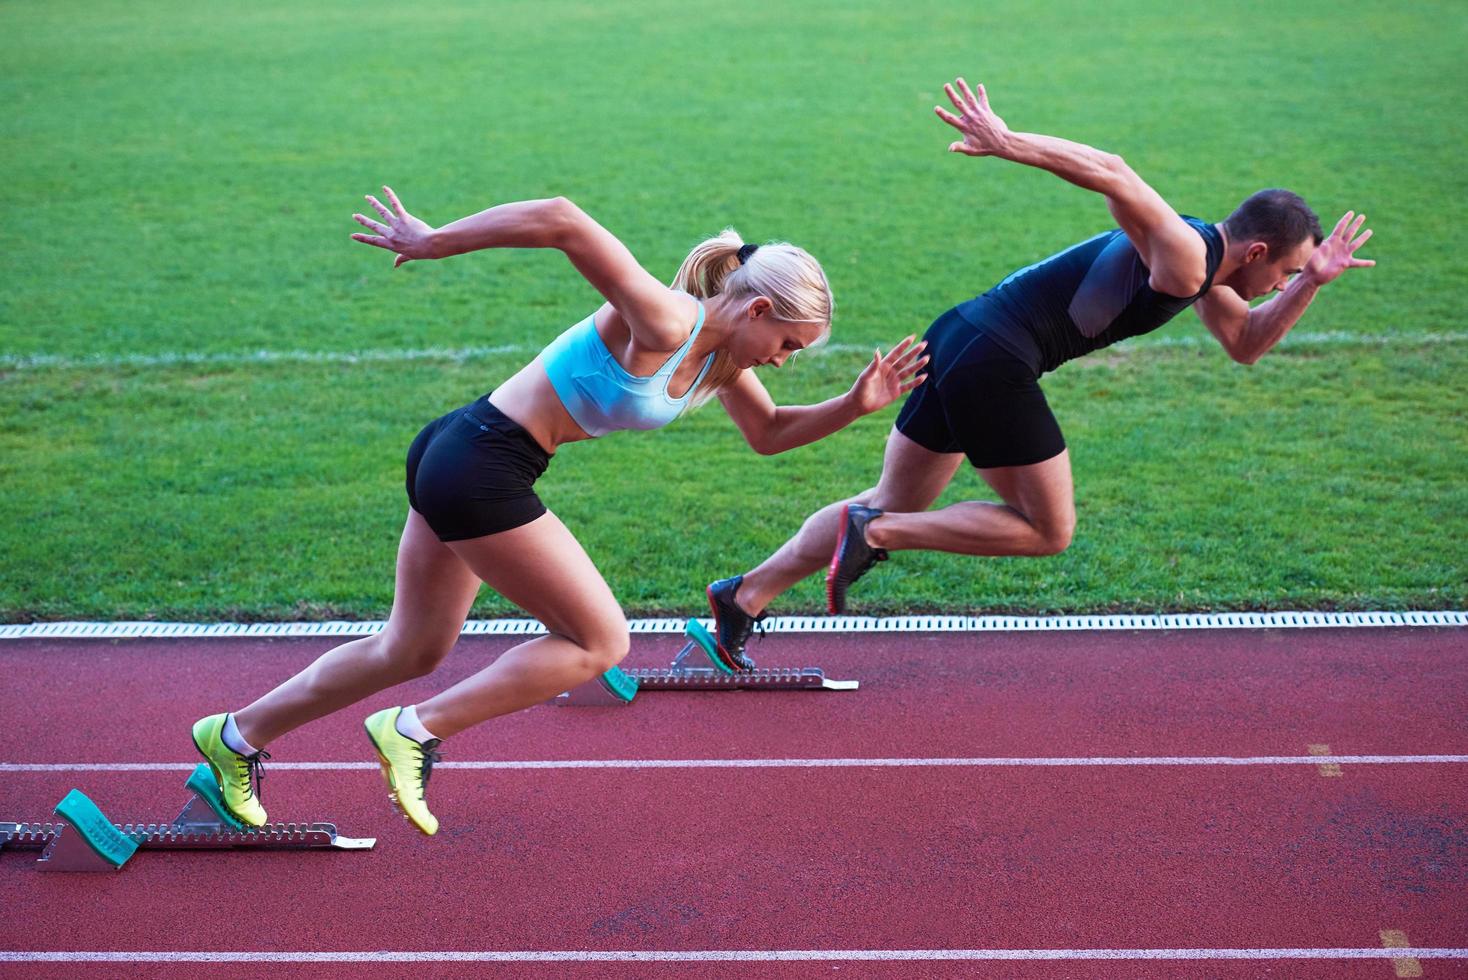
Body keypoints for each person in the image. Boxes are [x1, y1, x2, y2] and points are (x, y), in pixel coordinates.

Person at [191, 188, 928, 834]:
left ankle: (235, 735)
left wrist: (856, 405)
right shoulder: (669, 322)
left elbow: (768, 436)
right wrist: (432, 241)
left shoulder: (718, 358)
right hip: (482, 464)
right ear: (758, 308)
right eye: (788, 344)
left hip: (462, 449)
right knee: (599, 641)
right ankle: (414, 731)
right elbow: (562, 220)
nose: (782, 359)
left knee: (411, 649)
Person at [704, 77, 1375, 664]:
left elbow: (1247, 344)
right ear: (1256, 250)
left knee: (893, 493)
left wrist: (1309, 283)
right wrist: (1007, 140)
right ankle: (877, 535)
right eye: (1283, 271)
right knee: (1047, 530)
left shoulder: (1201, 269)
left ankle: (744, 596)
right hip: (997, 360)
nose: (1275, 285)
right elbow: (1114, 170)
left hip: (962, 334)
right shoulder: (1185, 253)